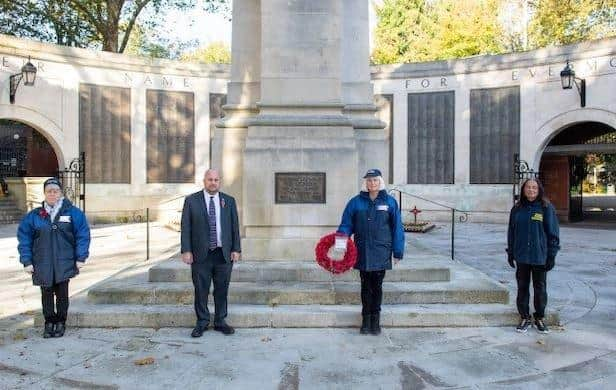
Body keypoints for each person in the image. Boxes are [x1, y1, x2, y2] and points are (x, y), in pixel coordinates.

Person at [17, 178, 91, 338]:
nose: (52, 194)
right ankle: (49, 322)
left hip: (64, 261)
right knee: (46, 293)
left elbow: (83, 235)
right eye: (49, 191)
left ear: (60, 193)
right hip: (42, 262)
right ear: (44, 193)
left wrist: (81, 257)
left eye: (55, 191)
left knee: (62, 294)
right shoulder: (34, 215)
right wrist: (26, 260)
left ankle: (61, 322)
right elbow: (24, 238)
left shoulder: (73, 213)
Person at [337, 168, 405, 335]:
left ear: (380, 182)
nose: (372, 183)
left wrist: (397, 251)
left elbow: (397, 228)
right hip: (363, 251)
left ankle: (376, 320)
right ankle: (365, 320)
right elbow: (346, 224)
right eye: (369, 180)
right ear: (365, 183)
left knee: (377, 286)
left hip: (381, 251)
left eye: (375, 180)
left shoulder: (390, 202)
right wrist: (340, 244)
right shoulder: (355, 202)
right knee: (365, 286)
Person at [181, 169, 241, 337]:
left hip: (223, 254)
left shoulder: (228, 201)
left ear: (219, 181)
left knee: (222, 289)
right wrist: (186, 250)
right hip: (201, 254)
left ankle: (220, 321)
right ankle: (202, 322)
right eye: (210, 179)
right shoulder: (192, 201)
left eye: (216, 179)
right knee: (201, 290)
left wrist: (236, 249)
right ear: (204, 181)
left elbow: (234, 227)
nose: (213, 182)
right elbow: (186, 227)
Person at [507, 178, 560, 334]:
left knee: (540, 288)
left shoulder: (546, 208)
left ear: (539, 190)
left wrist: (551, 256)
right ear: (523, 190)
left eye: (534, 188)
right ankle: (524, 316)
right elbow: (511, 232)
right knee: (522, 287)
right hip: (522, 256)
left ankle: (539, 317)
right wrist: (511, 252)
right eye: (528, 187)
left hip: (539, 256)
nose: (531, 190)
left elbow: (553, 234)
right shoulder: (517, 209)